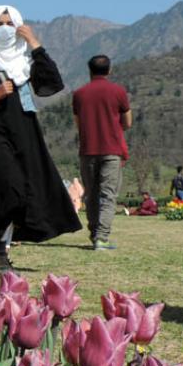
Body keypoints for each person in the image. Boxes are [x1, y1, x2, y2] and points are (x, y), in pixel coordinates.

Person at [0, 5, 80, 275]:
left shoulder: (25, 62)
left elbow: (53, 84)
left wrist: (35, 44)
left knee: (26, 190)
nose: (4, 28)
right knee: (9, 189)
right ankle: (0, 249)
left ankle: (2, 250)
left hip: (24, 130)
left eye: (10, 23)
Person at [72, 54, 132, 250]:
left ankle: (94, 234)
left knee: (91, 194)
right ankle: (102, 237)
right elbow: (128, 122)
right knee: (108, 194)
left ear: (89, 70)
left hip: (88, 149)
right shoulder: (118, 92)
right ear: (109, 70)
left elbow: (78, 124)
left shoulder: (79, 94)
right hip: (111, 150)